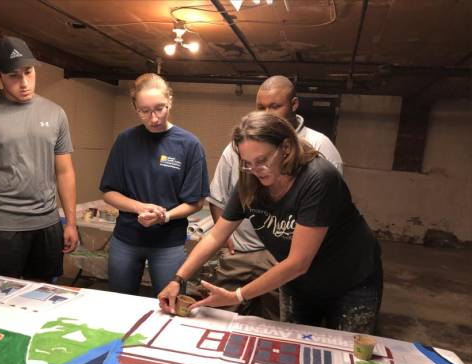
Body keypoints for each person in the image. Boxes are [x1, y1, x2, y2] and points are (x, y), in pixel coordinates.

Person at [159, 111, 382, 334]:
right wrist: (178, 279)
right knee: (296, 345)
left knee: (349, 352)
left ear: (286, 148)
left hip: (350, 280)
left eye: (262, 160)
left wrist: (237, 295)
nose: (255, 170)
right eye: (247, 163)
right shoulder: (251, 180)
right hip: (299, 282)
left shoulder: (318, 178)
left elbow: (298, 262)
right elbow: (217, 235)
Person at [207, 75, 343, 320]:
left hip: (286, 258)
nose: (268, 113)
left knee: (277, 323)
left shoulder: (320, 151)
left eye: (275, 106)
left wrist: (240, 294)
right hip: (241, 250)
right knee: (221, 318)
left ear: (293, 104)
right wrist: (224, 237)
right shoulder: (241, 147)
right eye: (261, 107)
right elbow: (219, 197)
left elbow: (326, 215)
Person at [0, 36, 78, 282]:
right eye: (13, 76)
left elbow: (65, 171)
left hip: (46, 223)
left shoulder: (55, 113)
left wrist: (70, 222)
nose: (24, 83)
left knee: (43, 297)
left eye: (28, 72)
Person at [99, 73, 210, 296]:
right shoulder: (125, 141)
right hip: (126, 239)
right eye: (145, 111)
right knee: (118, 301)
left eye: (160, 108)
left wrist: (164, 216)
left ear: (170, 101)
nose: (154, 118)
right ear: (135, 108)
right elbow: (109, 193)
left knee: (170, 303)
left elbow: (196, 202)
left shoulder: (189, 145)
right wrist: (139, 207)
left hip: (168, 243)